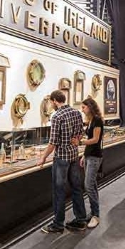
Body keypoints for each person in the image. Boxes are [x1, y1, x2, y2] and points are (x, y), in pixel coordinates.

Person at [37, 90, 87, 233]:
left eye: (51, 102)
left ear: (54, 101)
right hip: (74, 157)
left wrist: (43, 157)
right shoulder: (77, 113)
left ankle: (58, 224)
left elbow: (53, 143)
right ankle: (80, 220)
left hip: (61, 159)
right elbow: (80, 133)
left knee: (59, 191)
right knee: (77, 188)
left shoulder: (56, 116)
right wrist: (76, 140)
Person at [78, 97, 104, 228]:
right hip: (89, 156)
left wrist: (80, 142)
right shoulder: (91, 120)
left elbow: (95, 139)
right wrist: (83, 155)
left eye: (83, 107)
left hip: (94, 157)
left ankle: (96, 215)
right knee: (92, 185)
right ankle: (94, 212)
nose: (82, 110)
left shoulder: (97, 120)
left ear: (90, 107)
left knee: (88, 185)